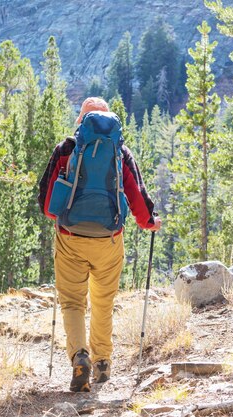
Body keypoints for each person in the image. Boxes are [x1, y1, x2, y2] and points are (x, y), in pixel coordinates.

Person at [38, 97, 162, 392]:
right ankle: (102, 362)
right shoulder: (120, 151)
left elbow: (46, 205)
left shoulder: (66, 149)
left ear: (81, 121)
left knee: (72, 302)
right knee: (103, 302)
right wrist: (149, 223)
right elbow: (137, 195)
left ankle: (80, 355)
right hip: (108, 239)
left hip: (70, 238)